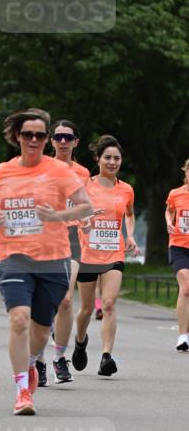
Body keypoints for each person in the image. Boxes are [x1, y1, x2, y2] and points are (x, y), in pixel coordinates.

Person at [0, 109, 93, 415]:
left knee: (41, 332)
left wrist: (58, 216)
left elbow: (85, 208)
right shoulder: (2, 171)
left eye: (40, 135)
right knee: (18, 320)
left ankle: (31, 364)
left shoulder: (59, 171)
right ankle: (22, 391)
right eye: (28, 134)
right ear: (17, 136)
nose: (34, 140)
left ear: (46, 139)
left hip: (54, 260)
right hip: (14, 257)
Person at [72, 135, 140, 377]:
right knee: (87, 309)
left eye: (117, 158)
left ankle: (106, 357)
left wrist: (129, 235)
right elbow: (72, 215)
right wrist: (85, 221)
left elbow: (129, 214)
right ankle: (80, 342)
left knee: (109, 304)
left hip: (114, 253)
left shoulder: (126, 189)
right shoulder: (85, 186)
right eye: (108, 157)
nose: (112, 162)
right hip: (88, 254)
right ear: (98, 159)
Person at [35, 120, 91, 385]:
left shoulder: (83, 173)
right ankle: (39, 361)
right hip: (45, 236)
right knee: (45, 300)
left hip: (72, 238)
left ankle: (59, 357)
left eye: (68, 137)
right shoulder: (41, 167)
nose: (63, 142)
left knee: (67, 299)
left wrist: (89, 219)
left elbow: (86, 205)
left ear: (76, 142)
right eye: (58, 137)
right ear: (51, 140)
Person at [165, 158, 189, 351]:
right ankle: (182, 336)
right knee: (186, 288)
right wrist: (169, 222)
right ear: (186, 172)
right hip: (179, 246)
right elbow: (168, 210)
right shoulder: (175, 193)